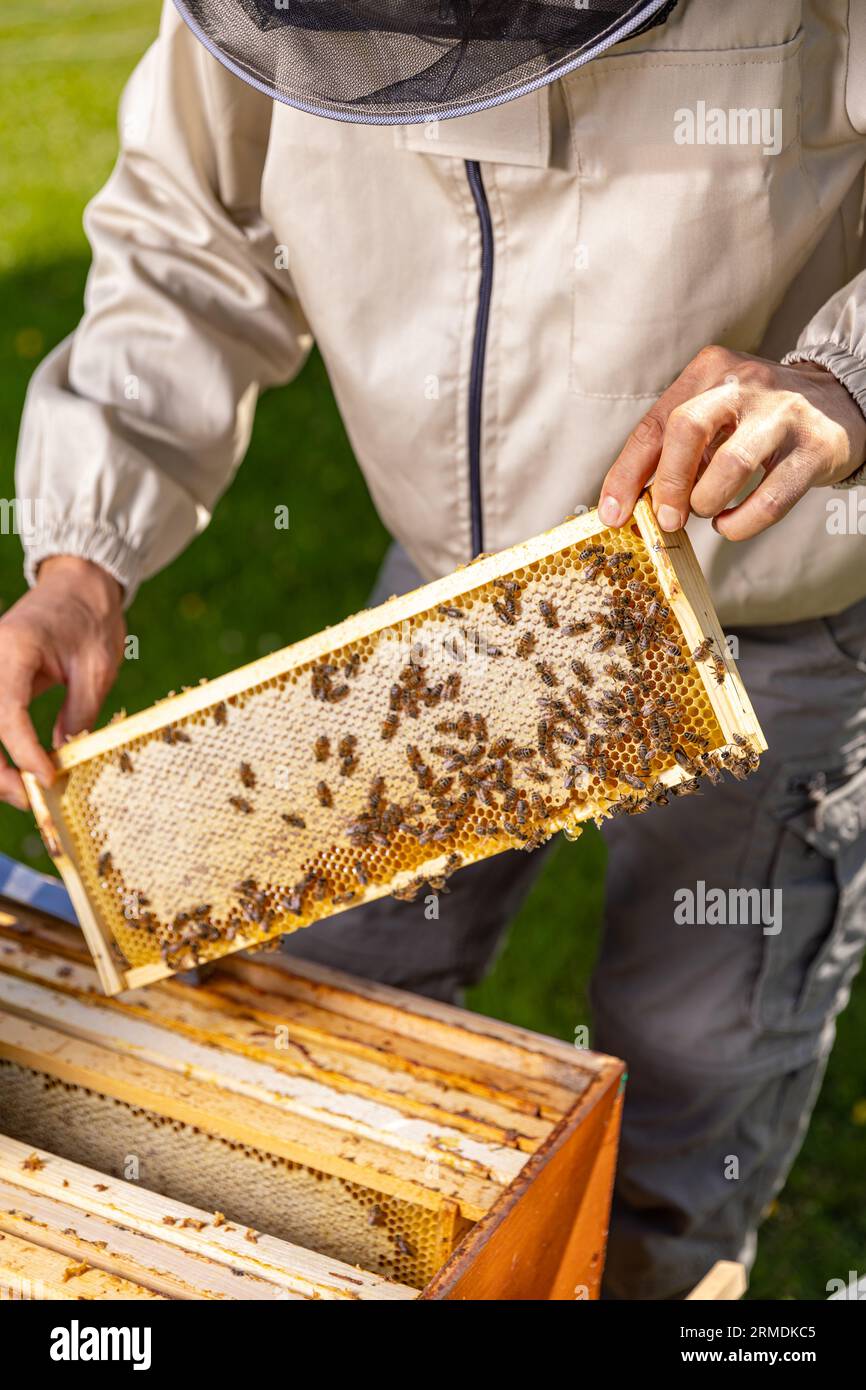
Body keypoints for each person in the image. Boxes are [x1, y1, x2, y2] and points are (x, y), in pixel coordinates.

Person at [4, 0, 866, 1298]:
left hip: (768, 602)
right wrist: (82, 554)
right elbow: (188, 241)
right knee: (316, 1011)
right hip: (442, 608)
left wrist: (838, 377)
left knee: (687, 1078)